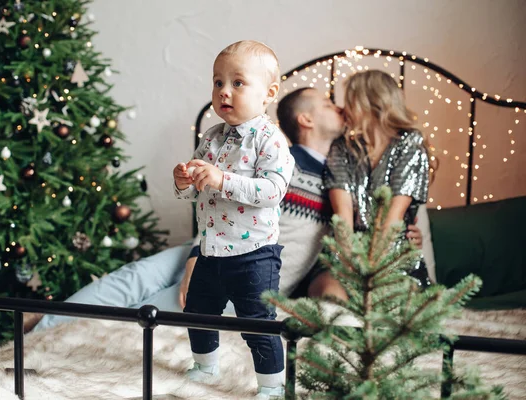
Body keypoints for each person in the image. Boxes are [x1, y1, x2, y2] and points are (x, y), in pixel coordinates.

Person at [32, 87, 427, 331]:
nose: (341, 109)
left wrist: (407, 232)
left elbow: (361, 235)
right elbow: (216, 202)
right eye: (328, 103)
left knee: (154, 312)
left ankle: (72, 339)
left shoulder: (348, 181)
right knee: (134, 276)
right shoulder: (270, 156)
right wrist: (194, 257)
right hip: (206, 246)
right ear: (305, 119)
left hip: (243, 272)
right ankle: (40, 331)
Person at [172, 40, 293, 399]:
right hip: (211, 250)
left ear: (268, 93)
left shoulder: (270, 140)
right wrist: (184, 182)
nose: (225, 91)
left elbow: (272, 191)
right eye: (218, 82)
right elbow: (196, 191)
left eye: (237, 83)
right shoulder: (211, 138)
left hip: (254, 252)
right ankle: (206, 367)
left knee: (256, 323)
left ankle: (272, 385)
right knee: (198, 311)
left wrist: (223, 179)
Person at [324, 70, 434, 286]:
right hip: (349, 254)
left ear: (370, 103)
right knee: (331, 290)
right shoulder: (342, 148)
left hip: (394, 254)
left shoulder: (410, 144)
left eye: (350, 101)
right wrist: (351, 264)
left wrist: (371, 269)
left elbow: (394, 216)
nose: (344, 108)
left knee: (395, 300)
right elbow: (343, 215)